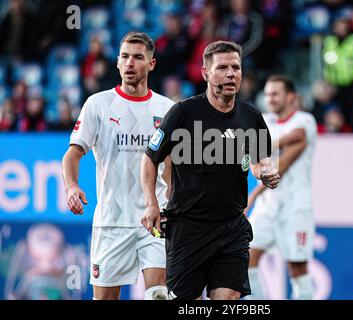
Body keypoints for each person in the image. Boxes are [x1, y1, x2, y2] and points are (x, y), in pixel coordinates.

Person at [140, 40, 280, 300]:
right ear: (205, 73)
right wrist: (151, 203)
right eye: (223, 67)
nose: (231, 74)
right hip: (188, 230)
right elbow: (150, 159)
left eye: (236, 68)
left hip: (231, 228)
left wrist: (265, 173)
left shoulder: (251, 118)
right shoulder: (183, 113)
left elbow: (260, 161)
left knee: (227, 300)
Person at [62, 32, 174, 300]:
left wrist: (173, 203)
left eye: (138, 57)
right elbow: (72, 154)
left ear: (151, 64)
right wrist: (72, 186)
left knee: (159, 294)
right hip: (112, 221)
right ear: (117, 62)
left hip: (154, 217)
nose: (130, 63)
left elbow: (171, 166)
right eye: (124, 57)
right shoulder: (98, 104)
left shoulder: (167, 108)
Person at [245, 75, 317, 300]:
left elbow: (281, 166)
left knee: (297, 269)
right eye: (267, 94)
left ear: (291, 96)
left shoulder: (304, 121)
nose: (270, 99)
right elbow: (250, 154)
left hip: (295, 206)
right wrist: (282, 141)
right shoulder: (262, 120)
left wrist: (253, 195)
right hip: (268, 208)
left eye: (275, 94)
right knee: (245, 260)